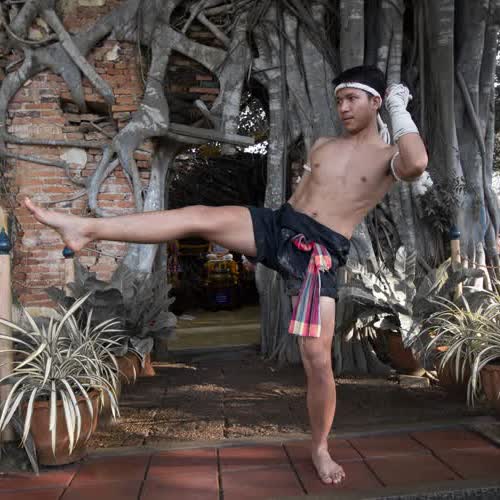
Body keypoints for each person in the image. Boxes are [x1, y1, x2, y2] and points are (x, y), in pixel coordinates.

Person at [24, 65, 428, 485]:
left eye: (352, 99)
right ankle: (86, 228)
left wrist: (399, 107)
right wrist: (266, 246)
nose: (342, 107)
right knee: (198, 216)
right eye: (339, 99)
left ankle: (321, 447)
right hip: (279, 226)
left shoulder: (388, 158)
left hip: (317, 254)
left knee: (317, 360)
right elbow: (301, 199)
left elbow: (417, 161)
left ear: (376, 102)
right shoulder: (323, 146)